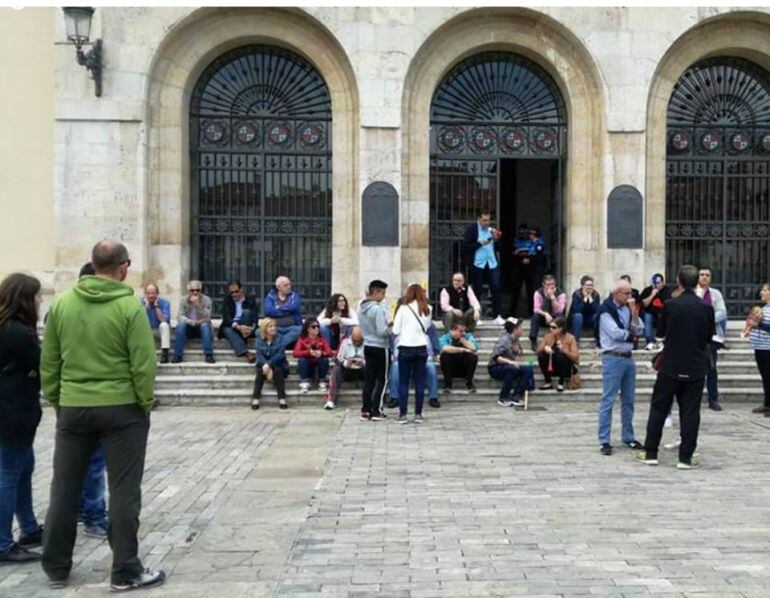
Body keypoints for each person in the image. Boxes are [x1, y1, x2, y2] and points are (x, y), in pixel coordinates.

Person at [41, 240, 164, 591]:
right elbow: (143, 362)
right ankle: (125, 569)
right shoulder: (128, 307)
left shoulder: (63, 303)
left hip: (74, 406)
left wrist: (59, 399)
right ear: (122, 266)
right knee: (124, 489)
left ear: (93, 264)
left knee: (64, 487)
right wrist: (144, 402)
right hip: (122, 407)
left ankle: (56, 566)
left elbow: (49, 360)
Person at [636, 265, 716, 469]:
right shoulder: (706, 307)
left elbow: (660, 333)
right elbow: (709, 336)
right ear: (696, 282)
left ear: (679, 282)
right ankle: (685, 457)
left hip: (670, 364)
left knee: (659, 408)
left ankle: (651, 453)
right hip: (695, 365)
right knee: (690, 411)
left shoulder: (670, 305)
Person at [0, 273, 44, 564]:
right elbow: (43, 364)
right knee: (9, 475)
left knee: (24, 468)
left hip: (14, 412)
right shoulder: (18, 332)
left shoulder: (7, 327)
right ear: (24, 299)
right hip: (13, 412)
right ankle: (3, 543)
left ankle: (29, 527)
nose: (40, 300)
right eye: (37, 296)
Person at [76, 262, 109, 540]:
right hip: (100, 397)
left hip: (71, 399)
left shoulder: (60, 308)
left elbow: (49, 362)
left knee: (75, 461)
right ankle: (94, 516)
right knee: (95, 462)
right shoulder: (112, 310)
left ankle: (78, 510)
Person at [596, 278, 645, 456]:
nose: (629, 296)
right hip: (613, 357)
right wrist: (631, 335)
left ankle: (628, 436)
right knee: (608, 400)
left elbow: (640, 329)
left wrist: (634, 313)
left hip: (628, 357)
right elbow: (615, 333)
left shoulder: (627, 309)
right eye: (626, 293)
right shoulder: (605, 310)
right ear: (616, 293)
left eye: (631, 292)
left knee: (628, 400)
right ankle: (604, 440)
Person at [392, 284, 433, 424]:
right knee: (419, 382)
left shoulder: (403, 308)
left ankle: (403, 414)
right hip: (421, 346)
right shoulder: (428, 308)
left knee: (403, 382)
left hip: (405, 346)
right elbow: (427, 327)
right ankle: (418, 414)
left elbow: (395, 330)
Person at [463, 211, 504, 324]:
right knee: (477, 289)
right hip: (478, 263)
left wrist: (497, 239)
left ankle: (497, 316)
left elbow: (499, 248)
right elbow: (466, 247)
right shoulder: (472, 229)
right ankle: (476, 316)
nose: (486, 223)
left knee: (496, 287)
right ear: (479, 219)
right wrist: (480, 243)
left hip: (492, 262)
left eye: (488, 220)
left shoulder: (491, 230)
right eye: (484, 220)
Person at [358, 280, 390, 421]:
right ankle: (376, 409)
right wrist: (392, 328)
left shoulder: (361, 308)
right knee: (382, 378)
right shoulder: (377, 309)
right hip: (381, 346)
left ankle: (366, 409)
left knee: (369, 379)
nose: (383, 296)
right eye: (382, 293)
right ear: (375, 292)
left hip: (368, 345)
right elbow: (382, 331)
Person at [695, 266, 727, 411]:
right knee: (695, 368)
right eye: (702, 274)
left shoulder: (715, 293)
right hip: (694, 336)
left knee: (711, 368)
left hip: (711, 337)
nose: (704, 277)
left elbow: (722, 312)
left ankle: (713, 399)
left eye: (707, 275)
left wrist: (707, 320)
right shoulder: (693, 293)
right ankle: (693, 398)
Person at [488, 317, 534, 407]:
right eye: (520, 327)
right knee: (512, 369)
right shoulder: (504, 340)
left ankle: (517, 395)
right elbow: (495, 357)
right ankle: (503, 397)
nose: (522, 329)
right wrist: (510, 362)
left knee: (528, 369)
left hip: (508, 367)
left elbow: (518, 353)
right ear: (515, 329)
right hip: (495, 368)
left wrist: (517, 351)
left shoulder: (515, 339)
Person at [389, 331, 442, 409]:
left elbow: (429, 356)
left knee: (431, 366)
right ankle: (394, 398)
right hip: (404, 363)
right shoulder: (399, 338)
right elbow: (396, 356)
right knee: (395, 365)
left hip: (421, 362)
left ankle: (433, 397)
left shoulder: (425, 338)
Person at [251, 318, 289, 410]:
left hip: (279, 364)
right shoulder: (259, 340)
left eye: (274, 326)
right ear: (264, 328)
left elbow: (280, 355)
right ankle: (255, 399)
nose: (273, 328)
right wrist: (266, 365)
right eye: (270, 326)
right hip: (263, 366)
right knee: (260, 372)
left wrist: (268, 364)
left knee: (278, 371)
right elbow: (259, 356)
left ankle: (282, 399)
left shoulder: (281, 339)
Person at [173, 280, 215, 364]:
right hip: (189, 327)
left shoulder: (207, 300)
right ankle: (177, 356)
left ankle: (209, 355)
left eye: (197, 290)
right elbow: (180, 316)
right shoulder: (184, 300)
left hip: (203, 329)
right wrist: (193, 322)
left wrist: (197, 305)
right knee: (181, 325)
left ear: (201, 290)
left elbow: (207, 317)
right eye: (192, 290)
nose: (195, 293)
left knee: (204, 325)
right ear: (188, 291)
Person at [218, 280, 258, 364]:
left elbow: (255, 316)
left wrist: (251, 328)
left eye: (236, 291)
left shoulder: (250, 299)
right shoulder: (227, 299)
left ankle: (243, 336)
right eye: (231, 292)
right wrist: (237, 327)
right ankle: (246, 352)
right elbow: (226, 318)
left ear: (241, 289)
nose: (234, 294)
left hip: (246, 324)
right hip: (232, 325)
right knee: (227, 330)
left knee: (247, 312)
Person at [326, 326, 365, 410]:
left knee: (374, 370)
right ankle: (331, 400)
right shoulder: (344, 343)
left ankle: (373, 400)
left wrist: (363, 363)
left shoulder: (368, 343)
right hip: (347, 370)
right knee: (336, 370)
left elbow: (373, 360)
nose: (357, 343)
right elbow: (337, 360)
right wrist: (345, 363)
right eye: (355, 341)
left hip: (363, 370)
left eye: (359, 341)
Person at [536, 316, 579, 392]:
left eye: (554, 327)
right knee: (542, 356)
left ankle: (561, 382)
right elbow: (538, 352)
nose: (551, 329)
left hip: (565, 367)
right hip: (551, 367)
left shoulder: (570, 338)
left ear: (561, 328)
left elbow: (576, 358)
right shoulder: (548, 336)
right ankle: (548, 382)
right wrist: (544, 348)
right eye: (550, 327)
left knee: (560, 356)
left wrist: (564, 350)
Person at [293, 317, 333, 393]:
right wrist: (308, 352)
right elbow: (295, 353)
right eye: (314, 327)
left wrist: (322, 353)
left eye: (317, 326)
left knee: (324, 360)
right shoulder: (302, 340)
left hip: (319, 365)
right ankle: (304, 383)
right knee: (302, 360)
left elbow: (329, 352)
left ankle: (322, 381)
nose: (316, 328)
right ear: (307, 329)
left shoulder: (322, 339)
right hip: (307, 366)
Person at [748, 282, 770, 415]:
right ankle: (767, 403)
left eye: (764, 290)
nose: (761, 292)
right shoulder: (765, 308)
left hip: (768, 348)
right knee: (765, 377)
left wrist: (758, 324)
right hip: (760, 347)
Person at [438, 323, 479, 393]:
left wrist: (462, 340)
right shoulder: (445, 337)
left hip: (464, 369)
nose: (463, 333)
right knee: (444, 356)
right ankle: (448, 384)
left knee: (473, 356)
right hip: (451, 369)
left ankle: (469, 382)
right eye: (461, 331)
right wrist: (463, 349)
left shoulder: (467, 336)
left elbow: (474, 347)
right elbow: (445, 348)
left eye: (464, 331)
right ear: (452, 331)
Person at [529, 274, 567, 350]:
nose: (550, 286)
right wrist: (546, 314)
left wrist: (553, 297)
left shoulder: (561, 294)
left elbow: (560, 310)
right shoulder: (538, 293)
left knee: (562, 318)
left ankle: (561, 341)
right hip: (544, 318)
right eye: (548, 284)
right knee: (535, 316)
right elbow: (536, 309)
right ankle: (533, 340)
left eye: (552, 284)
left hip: (555, 318)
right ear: (543, 285)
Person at [263, 276, 302, 347]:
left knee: (300, 330)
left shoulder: (294, 296)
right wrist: (287, 311)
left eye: (289, 284)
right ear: (278, 287)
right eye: (286, 285)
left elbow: (295, 307)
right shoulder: (270, 296)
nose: (289, 287)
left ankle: (276, 346)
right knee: (258, 332)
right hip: (275, 328)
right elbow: (268, 311)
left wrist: (279, 308)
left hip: (292, 327)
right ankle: (280, 345)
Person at [640, 273, 671, 351]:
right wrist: (652, 295)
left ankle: (662, 341)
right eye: (654, 283)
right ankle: (650, 342)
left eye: (658, 283)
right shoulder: (647, 290)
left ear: (663, 283)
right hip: (650, 313)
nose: (656, 285)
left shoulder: (668, 290)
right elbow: (644, 304)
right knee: (647, 317)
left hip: (663, 314)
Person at [142, 283, 171, 364]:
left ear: (157, 294)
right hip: (147, 331)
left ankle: (165, 354)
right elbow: (138, 320)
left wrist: (156, 306)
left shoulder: (165, 303)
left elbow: (163, 320)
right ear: (145, 294)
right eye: (148, 293)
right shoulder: (140, 303)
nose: (151, 296)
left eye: (153, 293)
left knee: (164, 325)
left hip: (159, 331)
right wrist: (145, 308)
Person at [510, 223, 534, 315]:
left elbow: (534, 253)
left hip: (529, 268)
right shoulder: (516, 241)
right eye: (521, 231)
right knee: (515, 291)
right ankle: (512, 312)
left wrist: (529, 258)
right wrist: (518, 255)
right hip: (518, 267)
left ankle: (531, 312)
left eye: (524, 231)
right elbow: (512, 254)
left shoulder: (531, 241)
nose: (522, 233)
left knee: (530, 291)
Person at [567, 275, 600, 341]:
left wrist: (590, 299)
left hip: (589, 319)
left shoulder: (596, 295)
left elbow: (596, 310)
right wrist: (584, 299)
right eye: (588, 285)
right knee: (578, 316)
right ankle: (576, 341)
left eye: (591, 285)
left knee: (598, 316)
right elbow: (576, 310)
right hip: (576, 319)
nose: (590, 287)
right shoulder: (576, 294)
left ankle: (598, 340)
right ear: (582, 286)